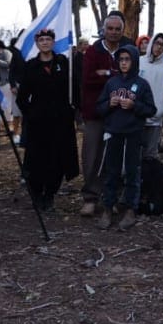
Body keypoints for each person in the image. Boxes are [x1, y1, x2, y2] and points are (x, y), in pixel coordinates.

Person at [16, 29, 78, 212]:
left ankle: (50, 194)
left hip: (61, 121)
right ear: (37, 44)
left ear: (53, 42)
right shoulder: (31, 66)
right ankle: (36, 193)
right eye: (41, 40)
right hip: (38, 123)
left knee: (57, 160)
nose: (45, 42)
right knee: (36, 160)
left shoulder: (63, 63)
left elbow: (74, 88)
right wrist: (31, 114)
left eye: (48, 39)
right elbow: (22, 97)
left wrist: (72, 109)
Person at [95, 45, 156, 230]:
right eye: (121, 59)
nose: (123, 63)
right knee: (111, 172)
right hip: (113, 132)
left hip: (133, 134)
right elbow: (99, 108)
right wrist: (109, 103)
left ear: (134, 61)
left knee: (132, 172)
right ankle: (108, 208)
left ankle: (130, 209)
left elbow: (151, 110)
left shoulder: (142, 84)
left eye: (127, 59)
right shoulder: (111, 83)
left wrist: (134, 105)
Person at [78, 12, 127, 217]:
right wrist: (113, 74)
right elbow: (88, 79)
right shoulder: (93, 51)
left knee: (115, 156)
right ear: (104, 30)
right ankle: (90, 197)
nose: (113, 32)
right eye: (110, 28)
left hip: (120, 113)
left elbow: (130, 76)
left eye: (117, 29)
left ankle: (111, 197)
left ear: (122, 31)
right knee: (92, 155)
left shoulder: (127, 49)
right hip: (95, 112)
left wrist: (105, 73)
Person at [138, 33, 163, 160]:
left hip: (155, 120)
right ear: (151, 43)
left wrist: (162, 110)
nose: (159, 47)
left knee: (150, 156)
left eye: (162, 45)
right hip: (136, 117)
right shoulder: (138, 62)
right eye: (157, 43)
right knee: (134, 153)